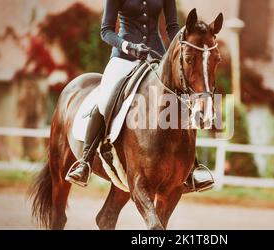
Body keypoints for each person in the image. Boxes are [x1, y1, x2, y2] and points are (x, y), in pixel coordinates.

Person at [65, 0, 214, 192]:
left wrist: (180, 52)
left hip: (157, 55)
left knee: (181, 103)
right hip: (124, 56)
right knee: (105, 101)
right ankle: (85, 161)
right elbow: (106, 31)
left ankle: (190, 169)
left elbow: (173, 28)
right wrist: (129, 46)